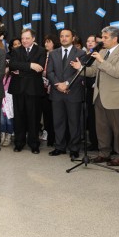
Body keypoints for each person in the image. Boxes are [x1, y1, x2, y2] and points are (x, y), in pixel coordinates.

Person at [72, 26, 119, 166]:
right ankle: (104, 153)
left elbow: (117, 72)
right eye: (102, 37)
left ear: (115, 38)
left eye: (105, 37)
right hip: (99, 95)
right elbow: (94, 71)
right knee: (101, 127)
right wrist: (80, 69)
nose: (102, 40)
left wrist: (101, 60)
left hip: (116, 98)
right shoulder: (103, 51)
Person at [46, 29, 87, 159]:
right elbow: (50, 72)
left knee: (74, 122)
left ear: (73, 38)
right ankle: (59, 147)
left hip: (73, 92)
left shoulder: (81, 53)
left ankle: (74, 148)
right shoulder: (53, 53)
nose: (64, 38)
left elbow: (80, 73)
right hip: (57, 92)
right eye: (62, 36)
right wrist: (58, 85)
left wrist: (68, 84)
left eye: (67, 36)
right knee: (58, 121)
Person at [8, 28, 46, 154]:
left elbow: (39, 68)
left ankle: (34, 143)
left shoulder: (41, 50)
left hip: (34, 89)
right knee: (19, 117)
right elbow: (12, 65)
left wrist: (21, 70)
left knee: (34, 118)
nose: (24, 41)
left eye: (27, 38)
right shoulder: (16, 50)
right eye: (22, 38)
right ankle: (19, 143)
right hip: (18, 89)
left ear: (33, 39)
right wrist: (30, 66)